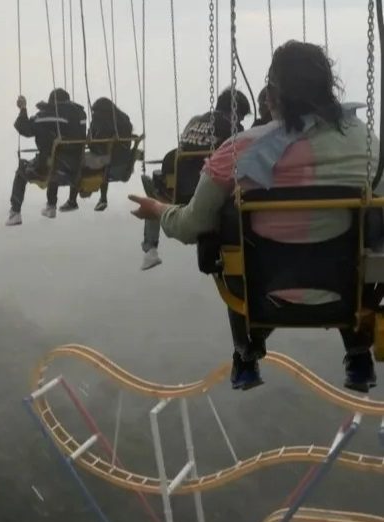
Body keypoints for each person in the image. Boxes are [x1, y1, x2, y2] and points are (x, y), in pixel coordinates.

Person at [129, 40, 382, 393]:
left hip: (260, 294)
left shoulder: (238, 151)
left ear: (272, 96)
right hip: (348, 293)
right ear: (329, 89)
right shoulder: (365, 144)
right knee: (359, 232)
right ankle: (357, 354)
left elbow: (190, 226)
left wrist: (157, 210)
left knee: (229, 234)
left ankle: (246, 354)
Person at [140, 88, 251, 271]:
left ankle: (150, 248)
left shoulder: (195, 121)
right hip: (208, 191)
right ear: (234, 113)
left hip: (179, 189)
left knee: (155, 197)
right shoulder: (234, 129)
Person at [6, 88, 86, 226]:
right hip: (76, 166)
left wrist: (23, 108)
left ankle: (15, 213)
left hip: (54, 167)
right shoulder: (81, 115)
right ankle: (50, 205)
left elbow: (24, 128)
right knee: (54, 157)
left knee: (22, 170)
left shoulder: (47, 115)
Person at [81, 97, 134, 212]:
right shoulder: (124, 118)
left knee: (79, 160)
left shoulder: (99, 119)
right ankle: (102, 198)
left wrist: (89, 142)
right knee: (103, 163)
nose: (94, 114)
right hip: (124, 162)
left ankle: (81, 191)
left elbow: (98, 145)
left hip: (106, 161)